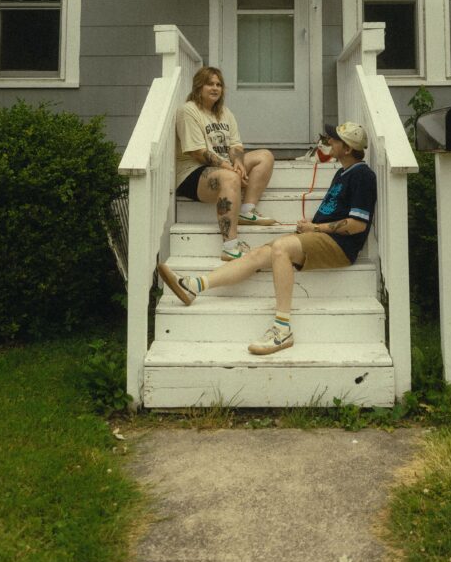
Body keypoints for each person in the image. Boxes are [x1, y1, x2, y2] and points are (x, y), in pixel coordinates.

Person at [161, 120, 376, 355]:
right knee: (257, 254)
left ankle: (282, 330)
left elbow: (357, 225)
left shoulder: (363, 176)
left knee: (281, 248)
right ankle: (195, 285)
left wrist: (317, 229)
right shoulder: (342, 173)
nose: (329, 141)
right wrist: (311, 226)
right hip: (320, 237)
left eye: (335, 139)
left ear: (347, 149)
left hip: (340, 246)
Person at [175, 66, 277, 261]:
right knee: (230, 177)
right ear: (199, 87)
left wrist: (238, 163)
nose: (215, 88)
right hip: (193, 173)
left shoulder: (224, 113)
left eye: (218, 84)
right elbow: (198, 152)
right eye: (209, 84)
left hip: (223, 168)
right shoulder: (188, 111)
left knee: (265, 156)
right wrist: (231, 170)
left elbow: (236, 146)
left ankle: (246, 211)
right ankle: (230, 246)